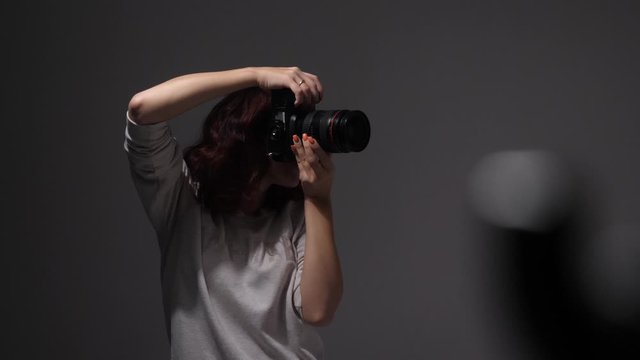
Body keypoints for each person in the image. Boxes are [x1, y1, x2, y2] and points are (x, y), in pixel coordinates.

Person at [123, 67, 343, 360]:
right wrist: (256, 76)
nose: (303, 140)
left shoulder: (294, 214)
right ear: (253, 133)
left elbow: (318, 310)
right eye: (293, 126)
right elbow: (142, 109)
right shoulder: (182, 197)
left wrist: (319, 199)